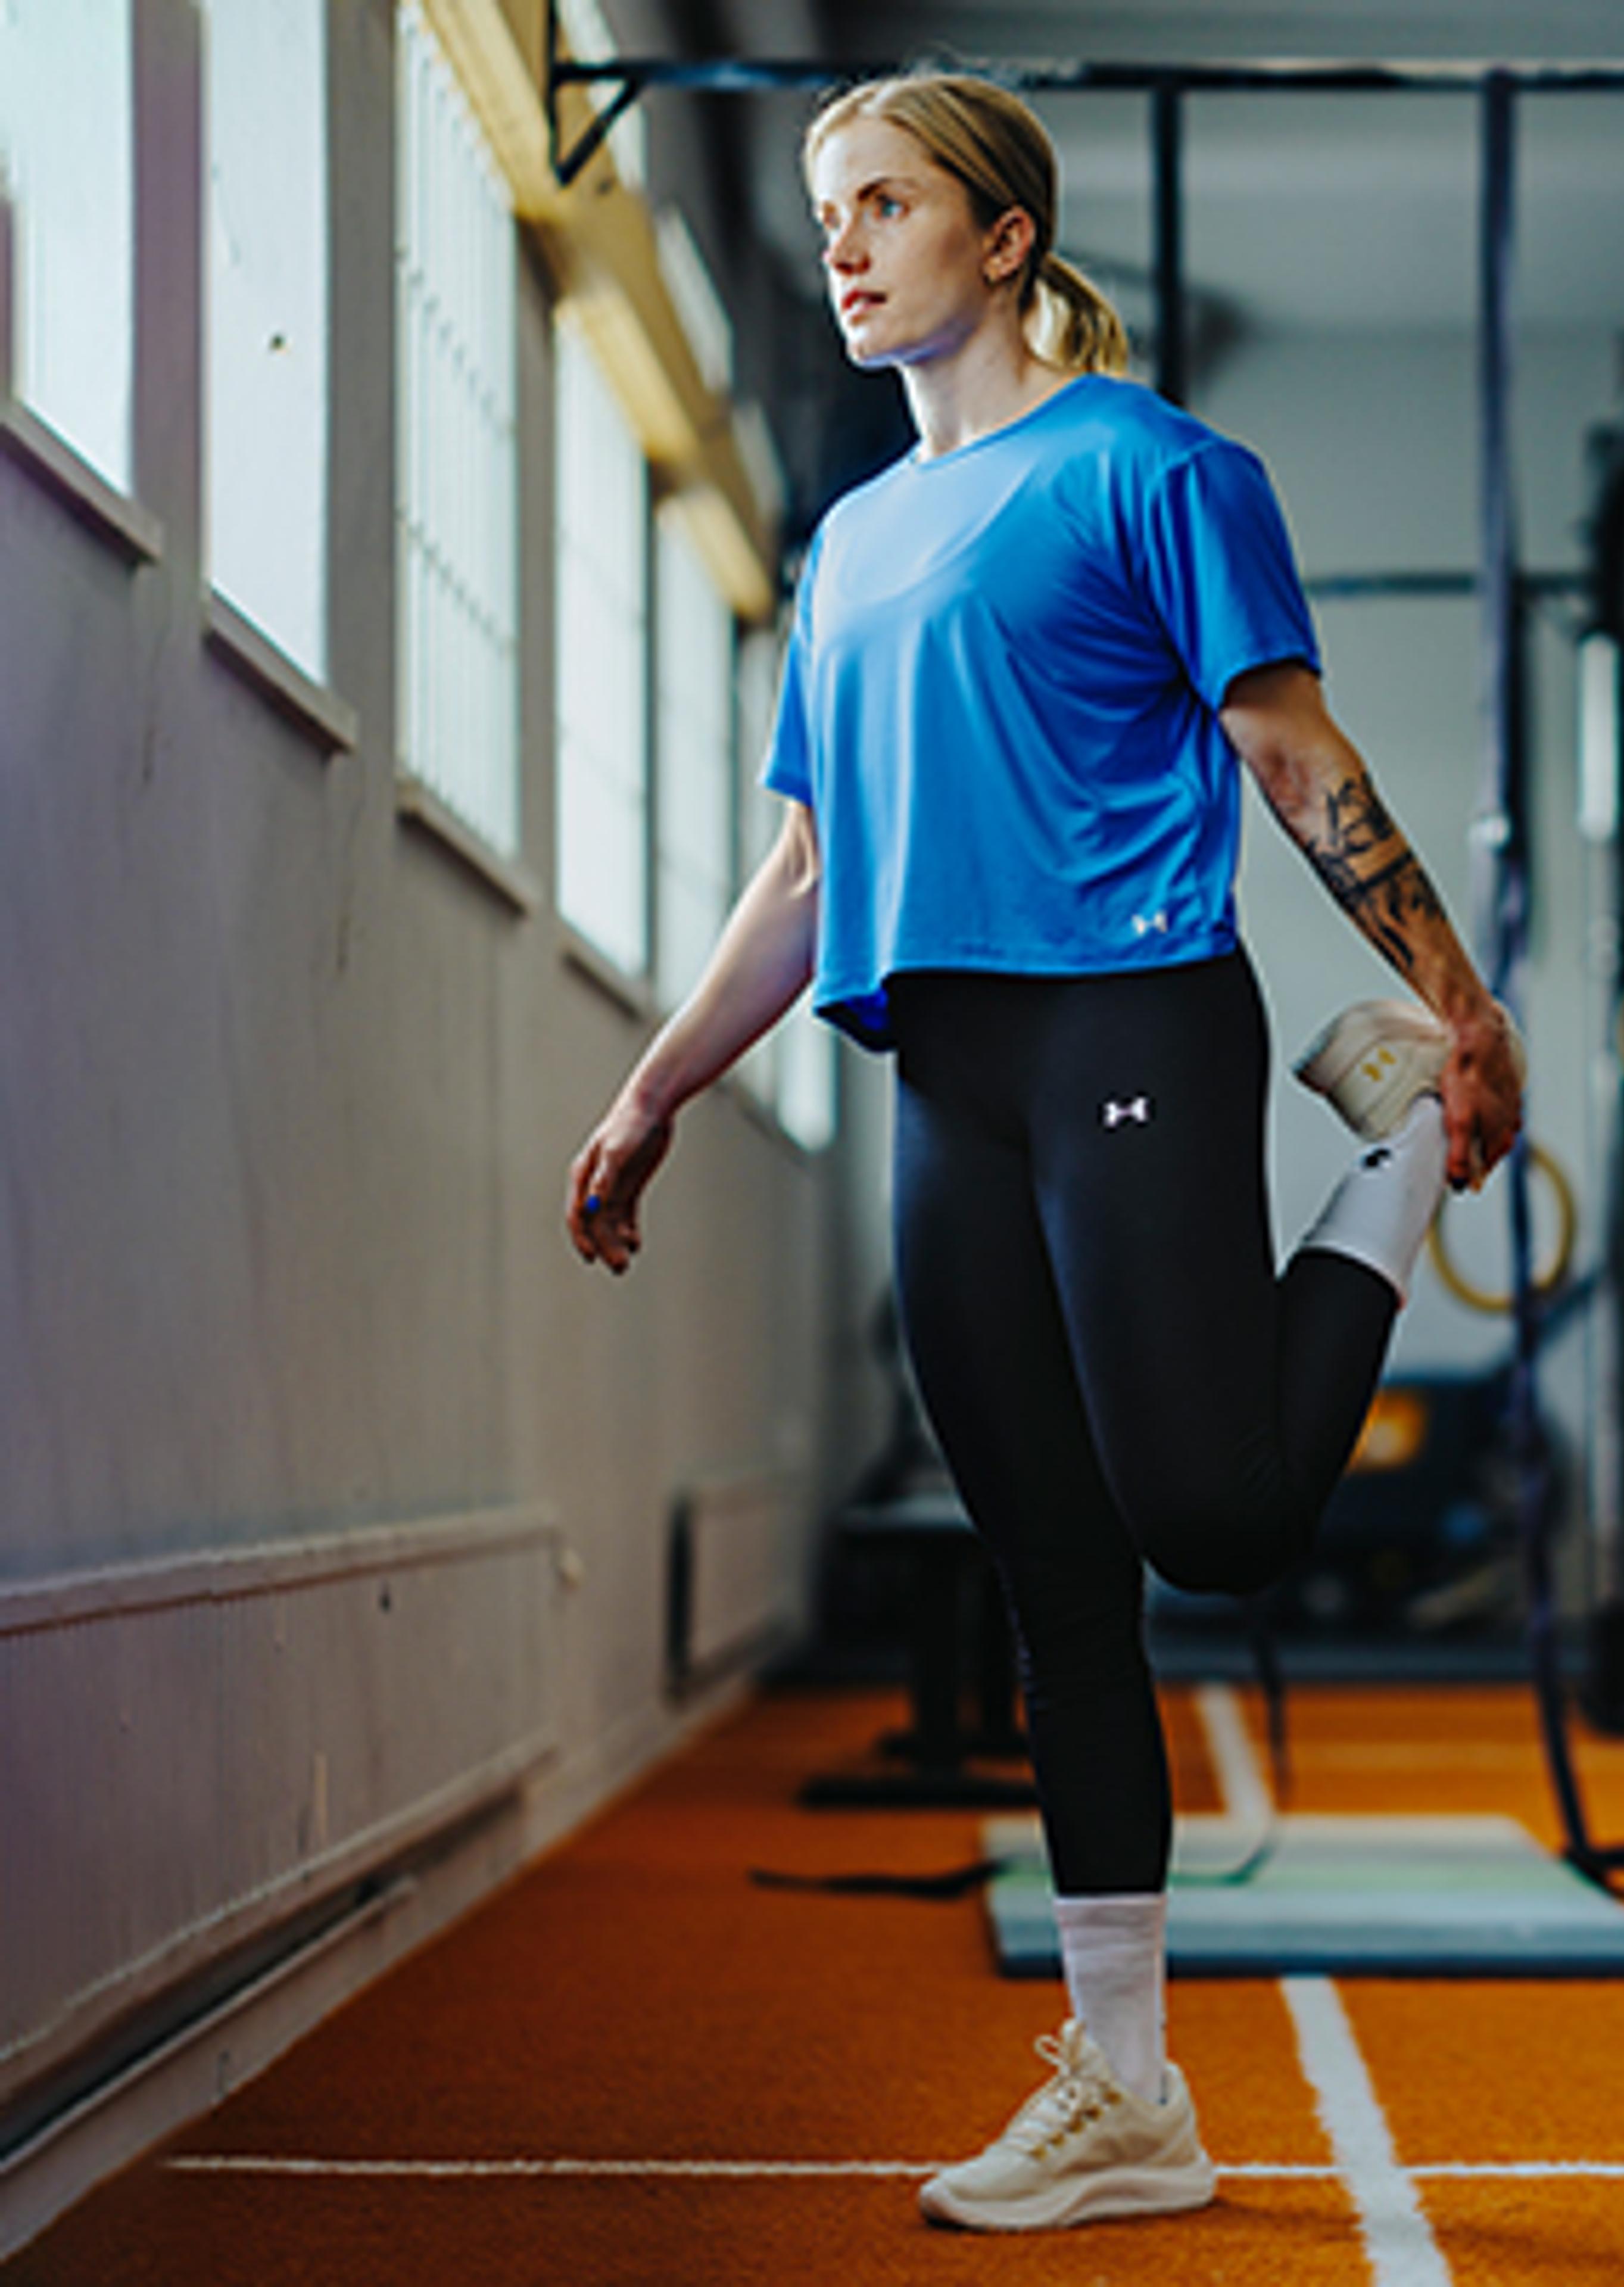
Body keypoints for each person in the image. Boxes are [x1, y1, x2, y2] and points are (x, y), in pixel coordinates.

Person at [565, 68, 1525, 2235]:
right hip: (948, 1070)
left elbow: (1296, 759)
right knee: (1054, 1582)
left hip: (1135, 1016)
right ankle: (1129, 2093)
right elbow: (807, 868)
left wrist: (1459, 1019)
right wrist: (652, 1092)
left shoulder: (1155, 469)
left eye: (885, 204)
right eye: (827, 212)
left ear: (1002, 238)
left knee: (1217, 1518)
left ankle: (1371, 1156)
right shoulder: (849, 541)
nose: (844, 244)